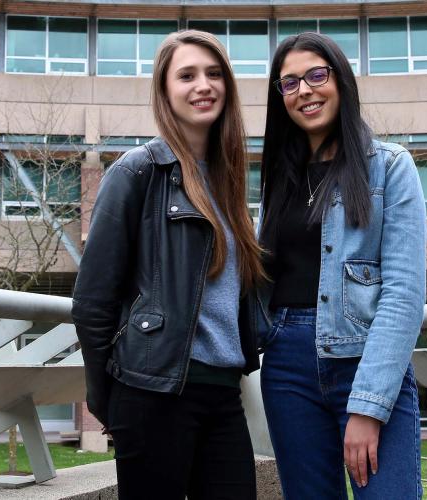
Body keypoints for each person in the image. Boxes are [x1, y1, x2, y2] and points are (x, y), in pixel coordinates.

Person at [71, 30, 266, 500]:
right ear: (164, 91)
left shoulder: (228, 182)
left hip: (222, 393)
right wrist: (109, 399)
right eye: (188, 75)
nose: (204, 85)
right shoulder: (138, 172)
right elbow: (92, 301)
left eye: (215, 74)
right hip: (154, 394)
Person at [256, 32, 427, 499]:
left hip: (364, 358)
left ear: (341, 81)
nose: (304, 90)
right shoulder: (278, 180)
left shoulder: (390, 167)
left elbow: (405, 293)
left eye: (316, 75)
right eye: (288, 83)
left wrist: (369, 406)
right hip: (287, 368)